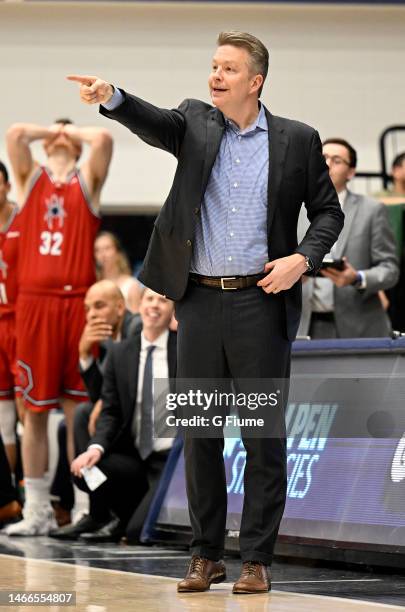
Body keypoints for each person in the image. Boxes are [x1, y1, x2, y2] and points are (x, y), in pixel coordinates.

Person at [69, 31, 343, 593]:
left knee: (262, 436)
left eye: (228, 69)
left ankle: (257, 560)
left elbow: (327, 214)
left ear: (255, 81)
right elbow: (153, 121)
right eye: (213, 66)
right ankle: (205, 555)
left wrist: (302, 259)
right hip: (197, 302)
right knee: (199, 434)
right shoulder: (195, 121)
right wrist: (112, 96)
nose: (215, 75)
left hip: (260, 303)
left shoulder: (296, 139)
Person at [4, 119, 113, 536]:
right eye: (55, 136)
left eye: (70, 134)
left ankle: (85, 505)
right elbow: (15, 134)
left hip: (76, 304)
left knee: (78, 412)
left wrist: (71, 133)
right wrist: (54, 129)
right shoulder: (31, 179)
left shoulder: (87, 183)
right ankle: (36, 510)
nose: (63, 137)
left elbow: (102, 137)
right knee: (33, 411)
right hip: (34, 304)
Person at [51, 288, 176, 543]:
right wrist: (94, 448)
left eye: (163, 300)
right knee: (86, 472)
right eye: (149, 299)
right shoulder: (122, 354)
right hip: (136, 458)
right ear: (139, 305)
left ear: (173, 309)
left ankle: (131, 520)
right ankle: (107, 514)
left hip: (170, 460)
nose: (155, 305)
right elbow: (111, 410)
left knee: (137, 534)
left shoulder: (183, 349)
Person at [49, 279, 141, 528]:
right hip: (120, 422)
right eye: (87, 309)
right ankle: (97, 510)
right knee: (82, 413)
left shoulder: (137, 329)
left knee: (82, 414)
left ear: (120, 308)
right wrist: (84, 353)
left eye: (99, 306)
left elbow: (124, 393)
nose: (92, 315)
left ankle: (100, 511)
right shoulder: (107, 337)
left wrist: (102, 400)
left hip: (141, 433)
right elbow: (100, 394)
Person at [298, 138, 399, 339]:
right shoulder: (295, 209)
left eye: (336, 160)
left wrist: (358, 278)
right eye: (323, 157)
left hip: (359, 323)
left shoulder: (372, 210)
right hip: (305, 323)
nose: (327, 164)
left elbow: (390, 269)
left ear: (351, 172)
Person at [0, 160, 20, 487]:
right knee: (3, 416)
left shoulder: (25, 217)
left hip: (21, 320)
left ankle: (24, 487)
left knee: (29, 410)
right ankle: (6, 495)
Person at [94, 231, 143, 313]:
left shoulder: (131, 284)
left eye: (107, 248)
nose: (102, 254)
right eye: (97, 250)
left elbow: (137, 320)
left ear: (118, 252)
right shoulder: (94, 284)